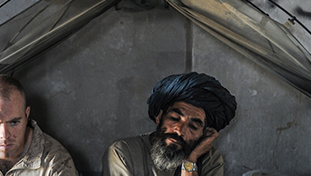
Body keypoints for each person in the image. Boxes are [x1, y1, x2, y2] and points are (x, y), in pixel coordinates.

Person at [102, 72, 237, 176]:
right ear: (160, 117)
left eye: (193, 126)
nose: (179, 130)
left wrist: (190, 162)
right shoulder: (123, 152)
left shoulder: (210, 159)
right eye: (174, 118)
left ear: (203, 133)